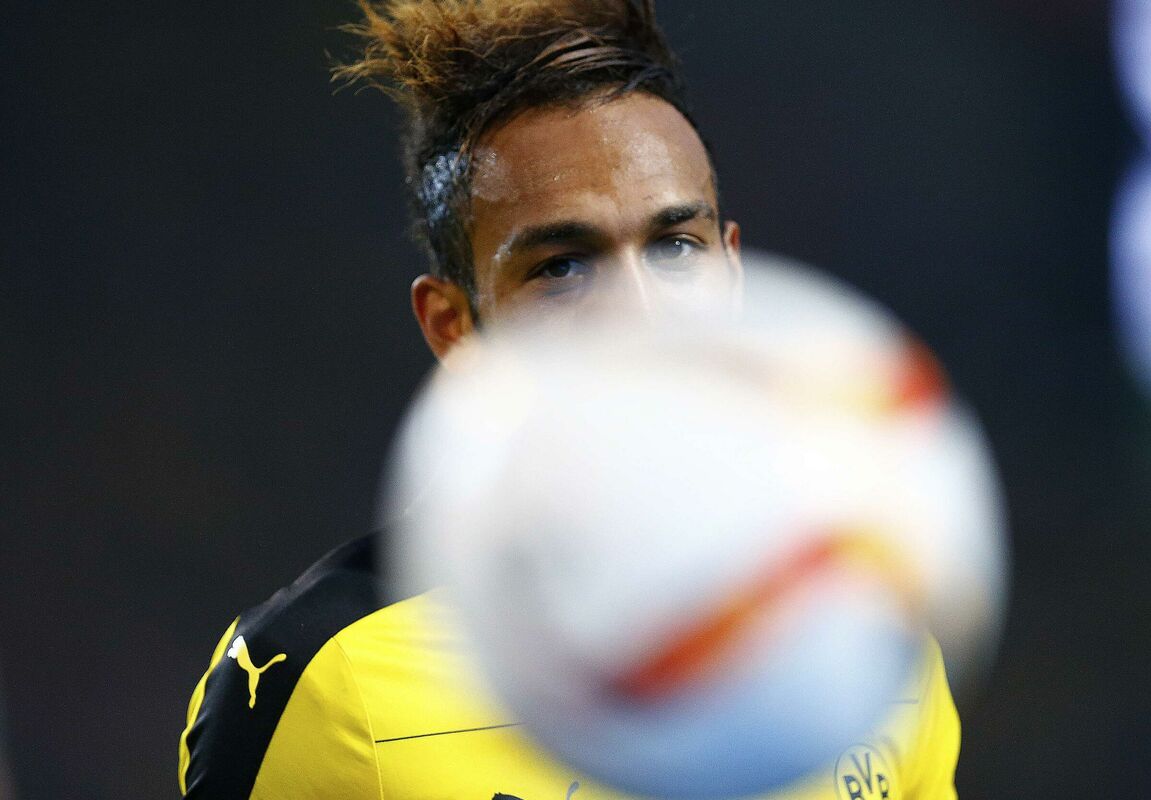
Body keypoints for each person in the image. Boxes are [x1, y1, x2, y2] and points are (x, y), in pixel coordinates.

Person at [177, 1, 961, 797]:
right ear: (454, 327)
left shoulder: (874, 613)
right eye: (562, 266)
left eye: (675, 246)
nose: (642, 315)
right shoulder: (324, 680)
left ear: (733, 272)